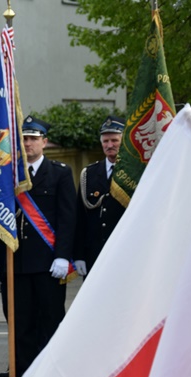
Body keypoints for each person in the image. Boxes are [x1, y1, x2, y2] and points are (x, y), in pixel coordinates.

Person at [0, 116, 76, 377]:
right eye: (24, 139)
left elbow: (67, 218)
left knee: (50, 318)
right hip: (15, 262)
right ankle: (22, 370)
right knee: (19, 321)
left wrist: (63, 255)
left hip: (48, 262)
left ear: (44, 142)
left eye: (33, 139)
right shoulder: (10, 174)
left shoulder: (60, 172)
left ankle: (50, 370)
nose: (28, 143)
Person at [74, 115, 126, 276]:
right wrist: (79, 255)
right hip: (94, 254)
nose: (110, 145)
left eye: (114, 140)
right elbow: (80, 218)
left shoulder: (135, 175)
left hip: (125, 252)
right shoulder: (89, 174)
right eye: (105, 141)